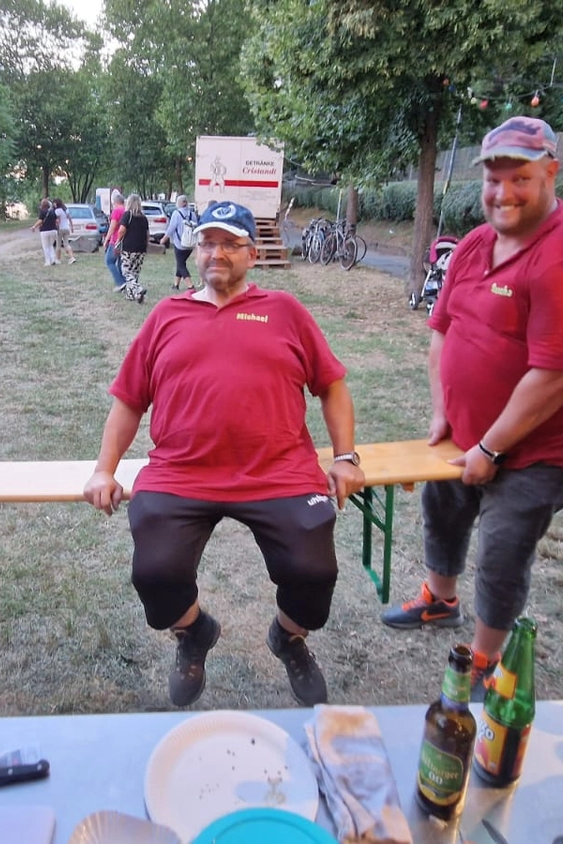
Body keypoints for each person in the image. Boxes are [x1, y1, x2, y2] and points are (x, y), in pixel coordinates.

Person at [82, 200, 365, 707]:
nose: (216, 253)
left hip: (279, 472)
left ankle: (289, 637)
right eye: (208, 242)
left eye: (230, 243)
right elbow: (128, 400)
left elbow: (333, 386)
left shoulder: (286, 312)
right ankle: (194, 633)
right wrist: (104, 469)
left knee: (314, 574)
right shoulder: (168, 315)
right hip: (181, 474)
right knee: (155, 576)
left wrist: (345, 457)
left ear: (252, 254)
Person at [379, 117, 563, 690]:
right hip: (468, 429)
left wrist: (491, 446)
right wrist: (444, 411)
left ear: (551, 174)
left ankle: (487, 656)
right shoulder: (474, 243)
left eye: (520, 177)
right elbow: (442, 330)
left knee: (502, 544)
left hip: (545, 444)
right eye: (494, 178)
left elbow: (558, 374)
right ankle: (440, 599)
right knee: (443, 509)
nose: (503, 192)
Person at [116, 193, 150, 303]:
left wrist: (118, 241)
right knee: (135, 272)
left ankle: (138, 289)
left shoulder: (127, 215)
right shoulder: (143, 218)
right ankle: (132, 295)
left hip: (129, 248)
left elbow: (121, 230)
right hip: (141, 248)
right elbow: (147, 234)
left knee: (126, 271)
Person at [163, 196, 199, 291]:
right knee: (180, 262)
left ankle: (190, 286)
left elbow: (171, 228)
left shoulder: (176, 213)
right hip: (190, 244)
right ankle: (176, 285)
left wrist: (164, 239)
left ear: (181, 203)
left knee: (181, 264)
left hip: (180, 244)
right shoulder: (192, 214)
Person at [103, 190, 128, 291]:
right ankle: (125, 282)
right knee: (120, 263)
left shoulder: (117, 211)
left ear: (115, 202)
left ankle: (120, 282)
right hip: (125, 240)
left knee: (109, 261)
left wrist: (106, 240)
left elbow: (112, 227)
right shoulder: (126, 211)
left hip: (115, 240)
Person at [31, 198, 59, 266]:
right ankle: (53, 259)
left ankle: (47, 261)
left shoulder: (42, 212)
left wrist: (34, 226)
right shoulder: (53, 211)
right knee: (51, 245)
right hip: (53, 231)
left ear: (42, 205)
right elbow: (57, 221)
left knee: (46, 246)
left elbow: (40, 221)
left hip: (45, 231)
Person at [54, 201, 77, 265]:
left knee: (58, 244)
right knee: (66, 244)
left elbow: (57, 220)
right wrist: (72, 227)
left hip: (60, 229)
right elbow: (70, 219)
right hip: (67, 228)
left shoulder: (57, 211)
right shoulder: (66, 210)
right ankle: (72, 257)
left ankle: (58, 259)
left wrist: (56, 226)